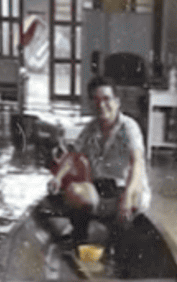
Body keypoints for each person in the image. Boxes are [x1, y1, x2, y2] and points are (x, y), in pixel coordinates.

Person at [46, 76, 150, 242]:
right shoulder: (90, 128)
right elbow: (72, 156)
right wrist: (57, 178)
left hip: (123, 190)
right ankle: (80, 236)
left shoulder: (128, 127)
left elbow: (137, 162)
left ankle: (120, 240)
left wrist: (127, 195)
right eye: (96, 100)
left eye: (107, 99)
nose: (101, 105)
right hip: (101, 192)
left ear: (117, 101)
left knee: (135, 199)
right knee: (74, 191)